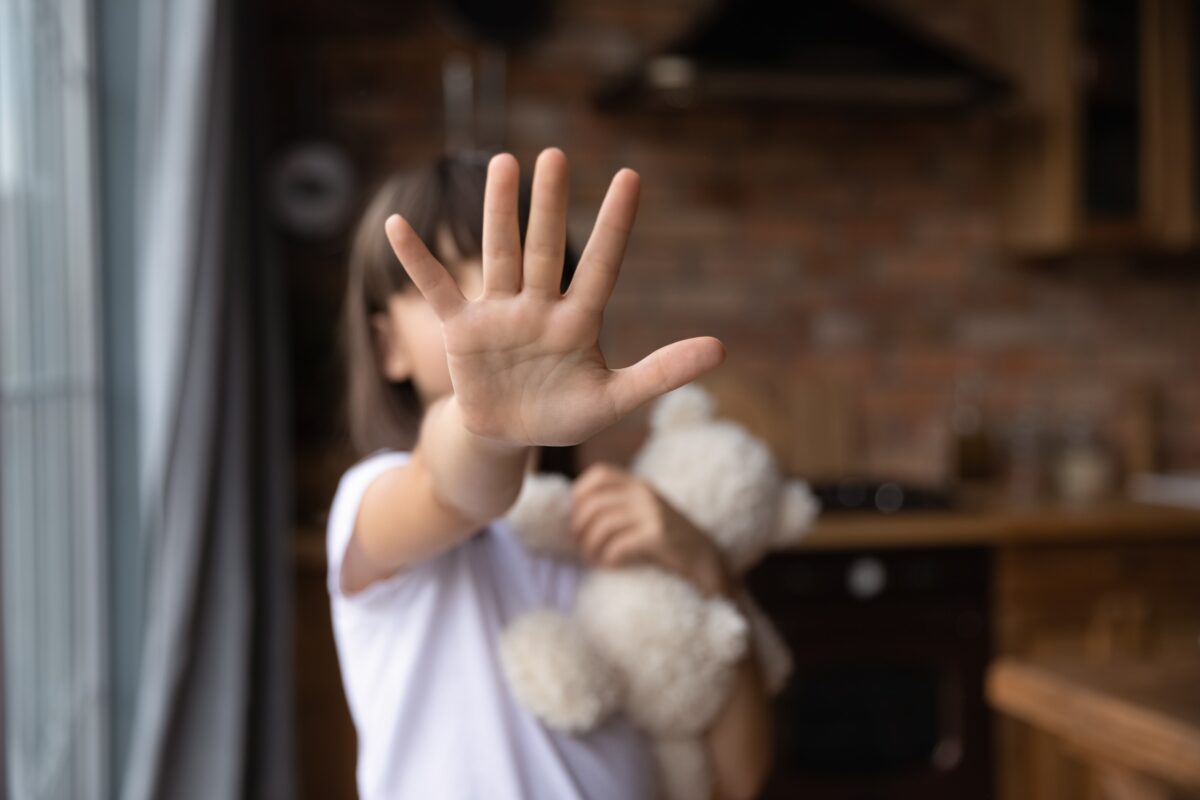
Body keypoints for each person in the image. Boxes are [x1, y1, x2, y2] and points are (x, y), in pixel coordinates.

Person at [328, 148, 773, 800]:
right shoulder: (369, 501)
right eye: (446, 282)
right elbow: (452, 489)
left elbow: (738, 777)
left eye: (503, 272)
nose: (489, 302)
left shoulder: (620, 524)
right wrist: (493, 424)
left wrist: (711, 573)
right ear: (387, 347)